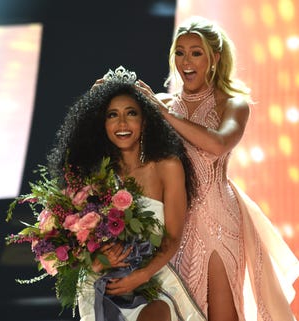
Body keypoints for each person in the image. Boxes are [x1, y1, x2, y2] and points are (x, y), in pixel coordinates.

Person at [135, 16, 299, 321]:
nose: (186, 60)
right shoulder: (164, 103)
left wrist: (163, 114)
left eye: (196, 52)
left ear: (215, 58)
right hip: (173, 220)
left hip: (219, 217)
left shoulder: (233, 104)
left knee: (222, 313)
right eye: (180, 52)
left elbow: (219, 144)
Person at [46, 66, 206, 321]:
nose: (122, 123)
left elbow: (173, 237)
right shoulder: (91, 175)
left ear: (145, 120)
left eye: (131, 113)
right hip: (102, 286)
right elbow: (71, 243)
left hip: (154, 282)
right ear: (101, 123)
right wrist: (94, 263)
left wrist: (140, 276)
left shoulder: (168, 166)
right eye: (112, 115)